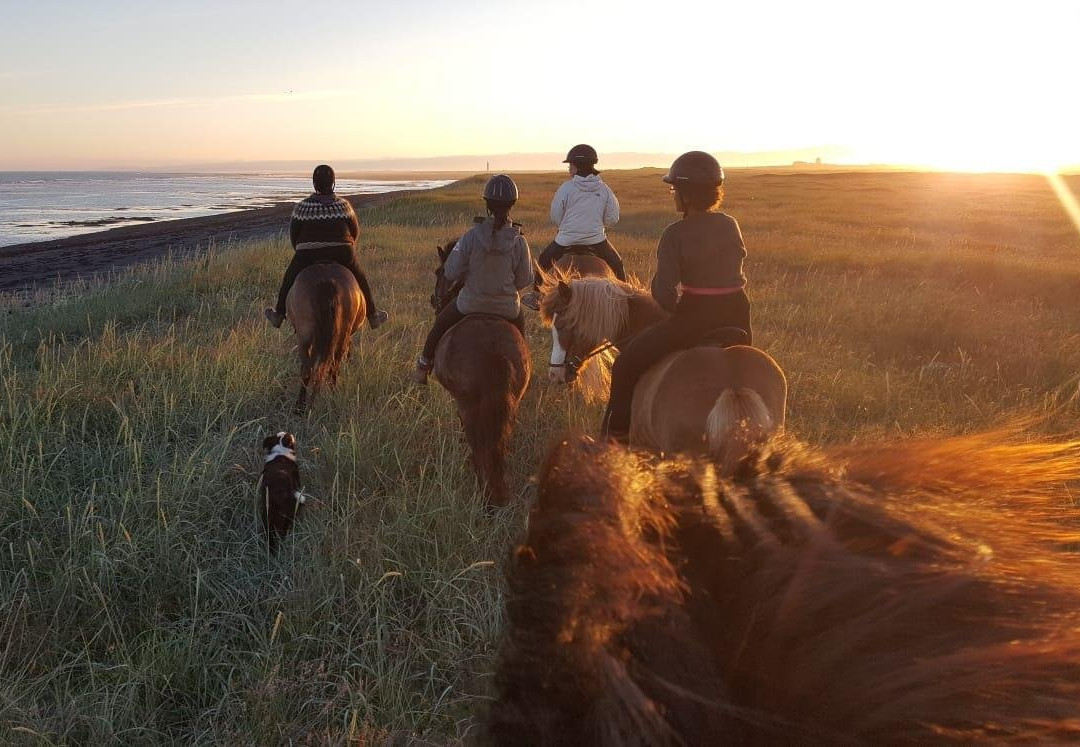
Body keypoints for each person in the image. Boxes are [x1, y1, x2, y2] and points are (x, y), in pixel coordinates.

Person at [601, 151, 752, 443]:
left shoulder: (674, 233)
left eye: (675, 189)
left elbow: (663, 291)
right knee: (745, 367)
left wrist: (674, 312)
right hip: (738, 313)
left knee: (625, 364)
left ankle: (614, 438)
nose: (673, 195)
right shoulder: (730, 223)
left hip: (695, 317)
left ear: (687, 194)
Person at [411, 174, 534, 384]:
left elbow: (451, 272)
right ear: (512, 205)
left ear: (487, 204)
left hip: (470, 304)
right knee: (520, 340)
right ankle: (524, 373)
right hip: (507, 308)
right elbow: (524, 279)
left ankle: (423, 366)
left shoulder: (470, 237)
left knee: (440, 324)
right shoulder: (520, 241)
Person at [264, 164, 388, 329]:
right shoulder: (344, 206)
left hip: (308, 252)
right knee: (360, 277)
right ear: (333, 183)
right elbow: (355, 232)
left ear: (314, 184)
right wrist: (347, 247)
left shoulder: (302, 207)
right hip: (342, 251)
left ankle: (278, 315)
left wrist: (303, 251)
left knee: (289, 278)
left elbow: (294, 236)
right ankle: (373, 316)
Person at [521, 144, 623, 310]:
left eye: (570, 165)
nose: (569, 169)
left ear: (577, 166)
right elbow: (613, 218)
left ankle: (536, 296)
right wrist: (596, 225)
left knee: (544, 260)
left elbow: (555, 215)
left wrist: (567, 227)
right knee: (617, 263)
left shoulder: (566, 188)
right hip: (596, 240)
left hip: (566, 240)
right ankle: (625, 296)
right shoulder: (604, 189)